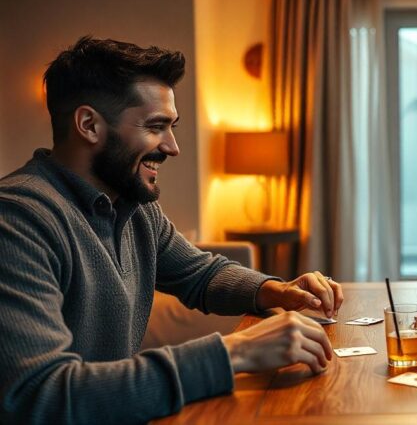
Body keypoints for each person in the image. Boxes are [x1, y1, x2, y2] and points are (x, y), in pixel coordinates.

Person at [0, 36, 344, 424]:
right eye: (156, 126)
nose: (172, 146)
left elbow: (201, 274)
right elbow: (39, 397)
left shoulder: (132, 207)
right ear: (89, 125)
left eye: (171, 127)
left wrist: (276, 290)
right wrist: (236, 353)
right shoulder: (16, 221)